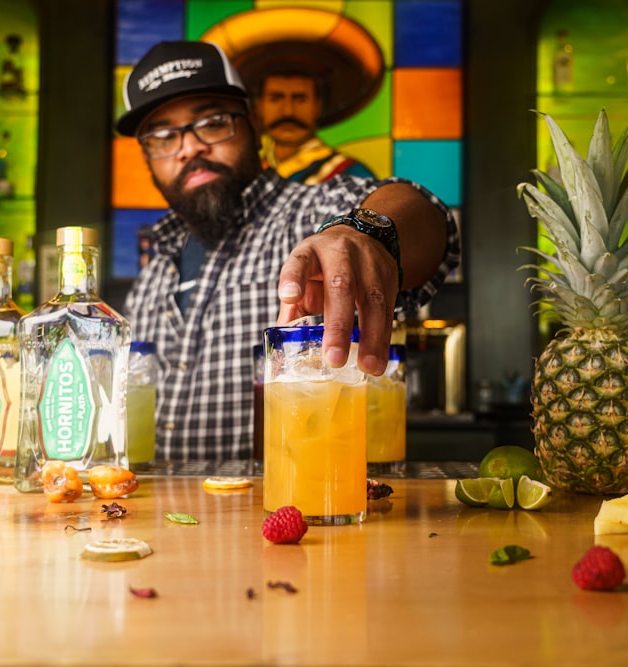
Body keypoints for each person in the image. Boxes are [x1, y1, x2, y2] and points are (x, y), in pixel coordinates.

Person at [116, 41, 460, 461]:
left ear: (255, 124)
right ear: (148, 157)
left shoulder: (312, 213)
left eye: (211, 122)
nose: (189, 147)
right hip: (167, 520)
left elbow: (423, 213)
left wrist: (364, 233)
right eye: (162, 136)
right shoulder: (153, 272)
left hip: (293, 517)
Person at [254, 69, 375, 184]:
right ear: (259, 106)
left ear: (318, 106)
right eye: (275, 99)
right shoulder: (252, 175)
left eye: (300, 99)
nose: (288, 111)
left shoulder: (353, 174)